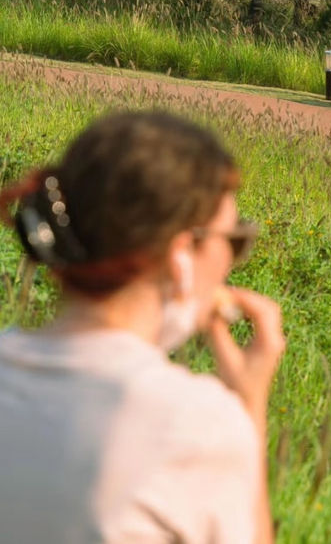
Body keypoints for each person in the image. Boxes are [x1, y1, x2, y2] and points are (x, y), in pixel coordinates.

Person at [0, 111, 285, 544]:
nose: (231, 263)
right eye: (233, 241)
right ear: (180, 255)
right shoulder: (197, 426)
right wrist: (249, 408)